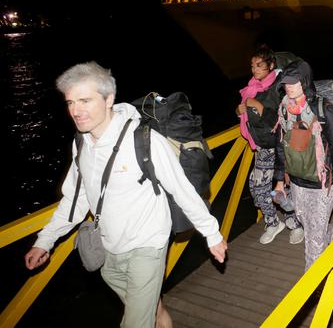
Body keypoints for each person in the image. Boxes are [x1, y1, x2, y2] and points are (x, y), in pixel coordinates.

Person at [24, 62, 227, 328]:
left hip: (147, 245)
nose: (76, 110)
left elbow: (181, 189)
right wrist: (45, 240)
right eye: (70, 102)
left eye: (85, 100)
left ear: (109, 99)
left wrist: (211, 233)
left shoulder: (144, 140)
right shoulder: (81, 144)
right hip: (109, 251)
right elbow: (76, 199)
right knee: (152, 312)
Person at [272, 60, 333, 270]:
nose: (288, 86)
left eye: (293, 82)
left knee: (313, 242)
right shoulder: (284, 108)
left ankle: (312, 289)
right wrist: (279, 181)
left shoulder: (324, 109)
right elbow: (280, 146)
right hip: (297, 179)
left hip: (324, 182)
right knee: (306, 222)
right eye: (286, 83)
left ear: (304, 81)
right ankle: (331, 231)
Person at [236, 45, 303, 245]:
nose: (254, 69)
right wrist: (241, 111)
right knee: (259, 187)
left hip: (282, 144)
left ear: (271, 65)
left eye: (259, 65)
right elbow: (249, 115)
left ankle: (294, 222)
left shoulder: (280, 86)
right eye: (252, 65)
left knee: (286, 185)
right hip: (263, 145)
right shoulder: (251, 86)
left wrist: (255, 105)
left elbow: (282, 117)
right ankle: (273, 222)